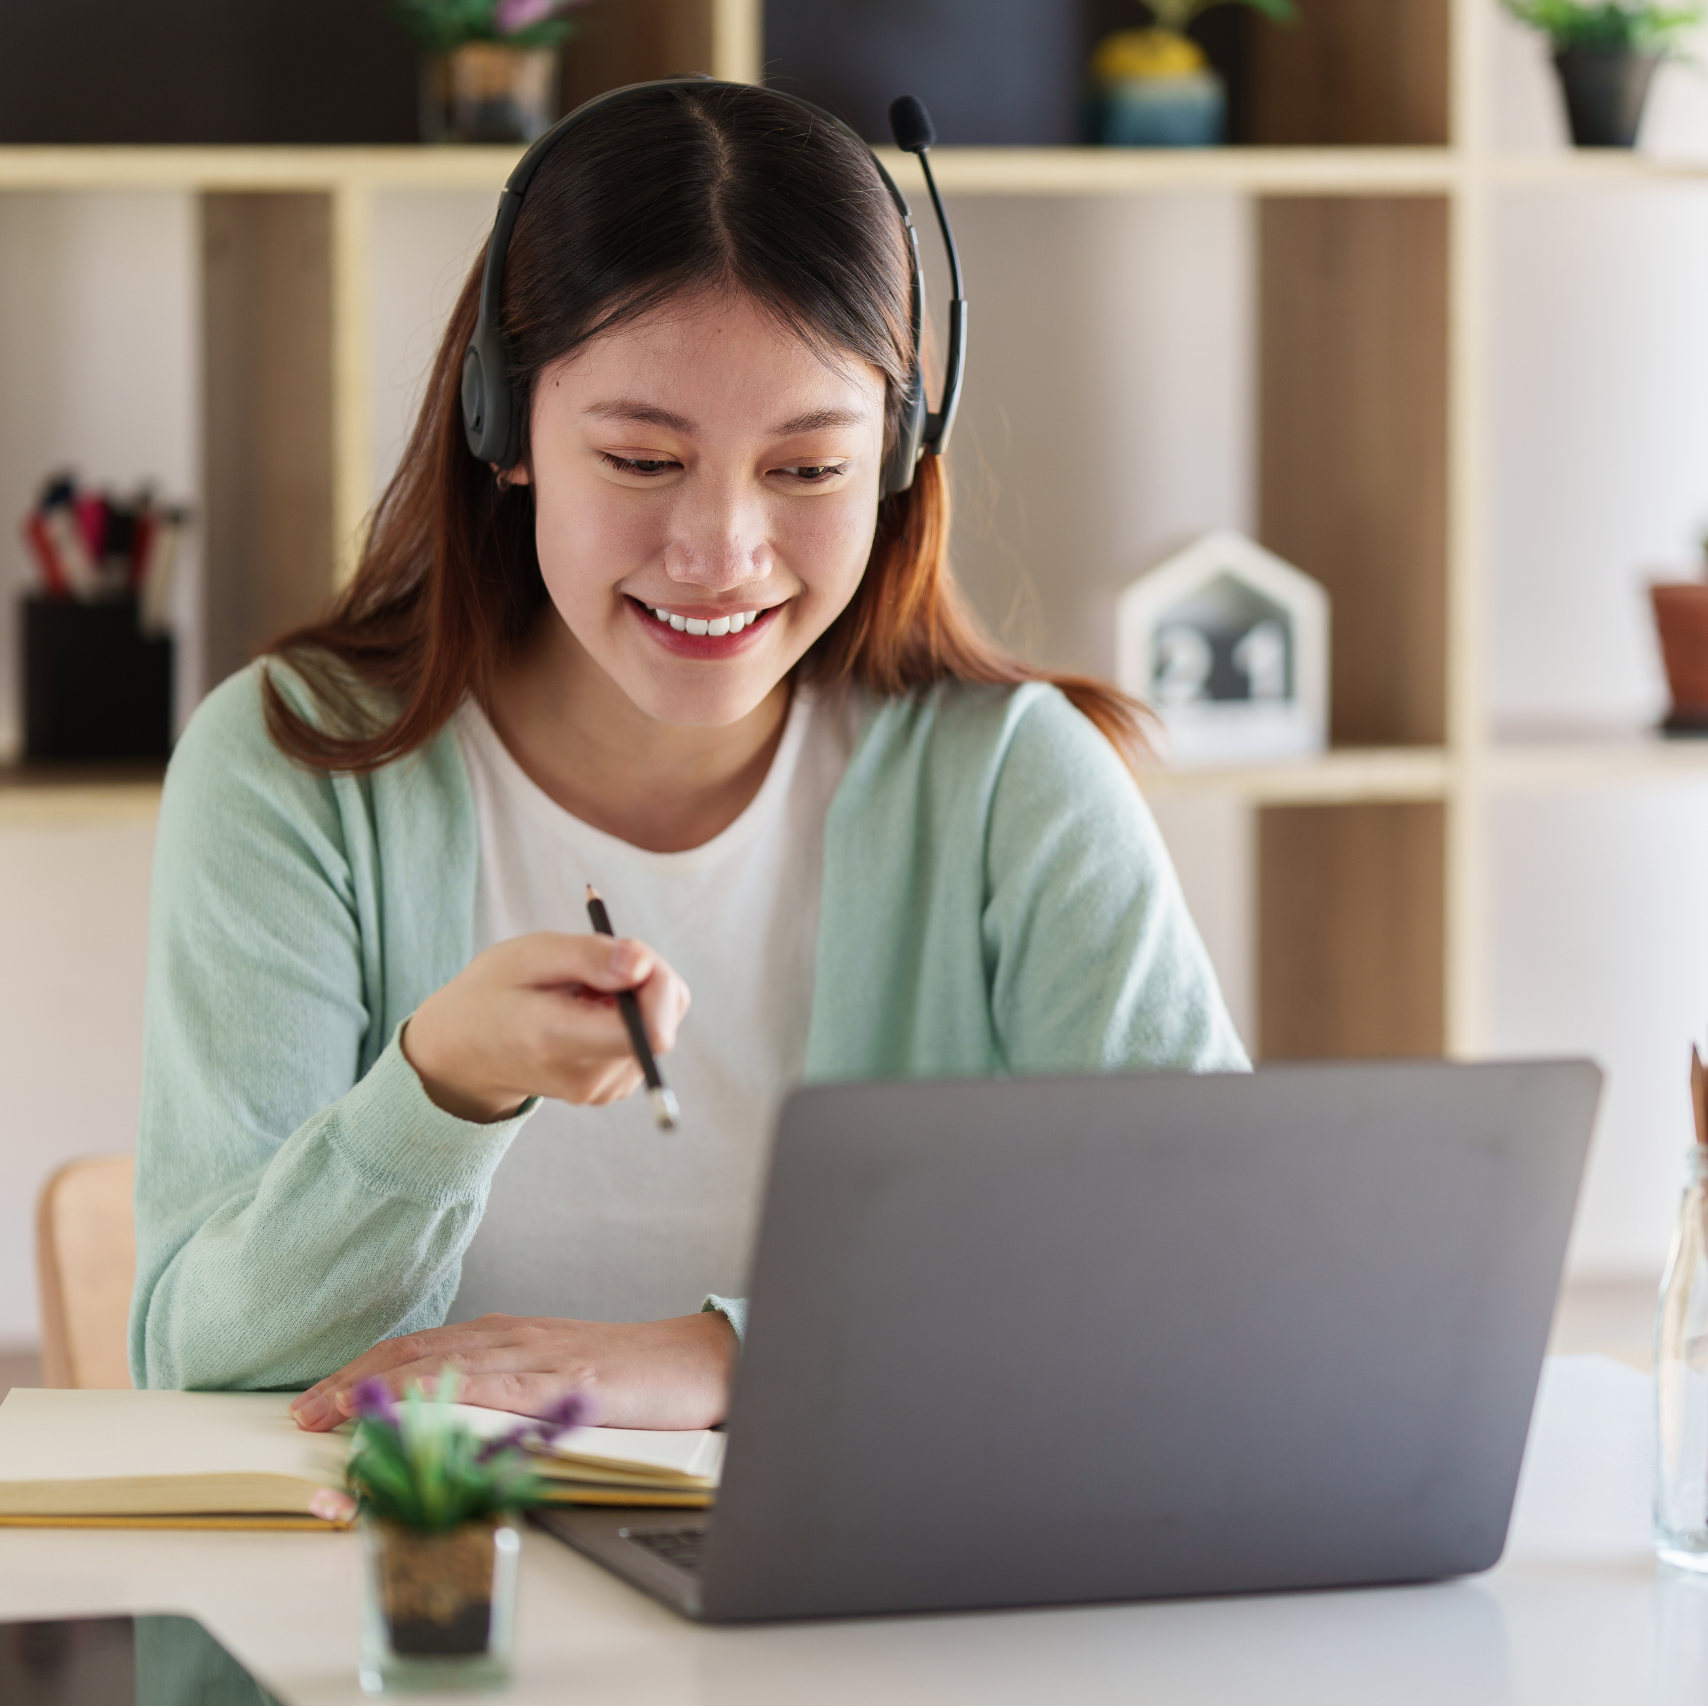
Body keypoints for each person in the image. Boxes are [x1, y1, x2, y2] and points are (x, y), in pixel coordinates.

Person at [127, 80, 1247, 1429]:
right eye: (644, 459)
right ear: (506, 430)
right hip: (424, 1608)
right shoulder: (289, 767)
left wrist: (727, 1359)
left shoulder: (1014, 784)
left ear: (898, 455)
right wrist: (439, 1089)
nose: (721, 553)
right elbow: (200, 1369)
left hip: (880, 1614)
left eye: (808, 470)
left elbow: (1214, 1285)